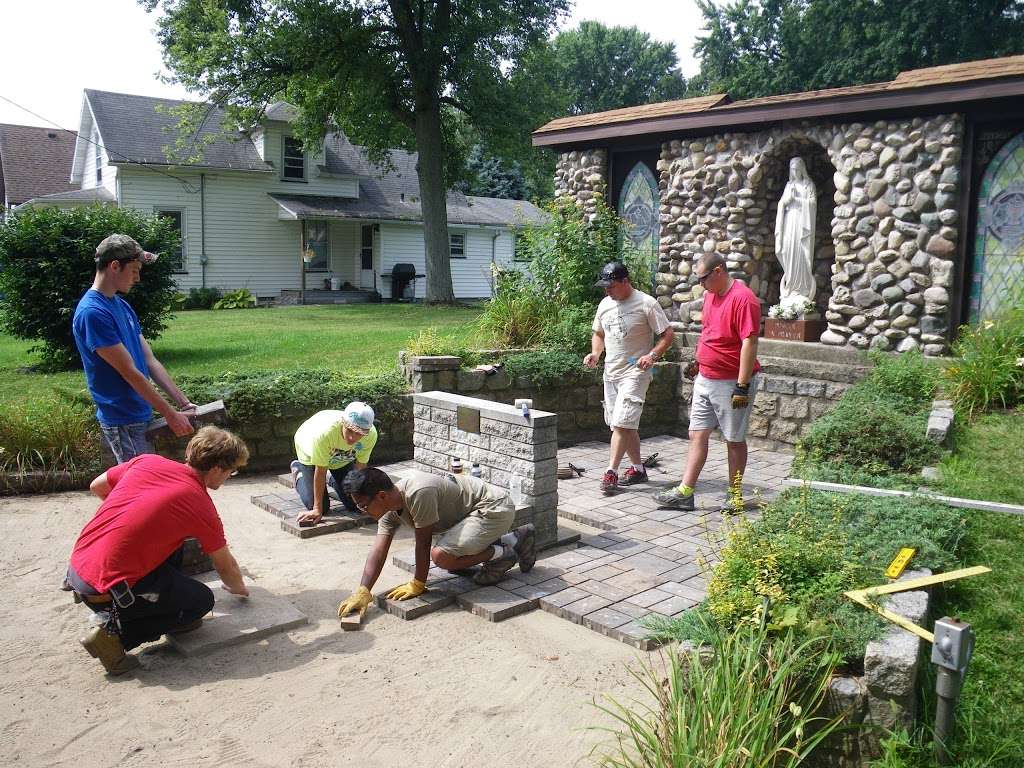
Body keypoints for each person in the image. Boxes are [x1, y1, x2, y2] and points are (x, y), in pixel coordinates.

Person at [65, 426, 250, 675]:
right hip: (107, 588)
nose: (229, 477)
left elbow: (97, 486)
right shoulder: (198, 502)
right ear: (217, 469)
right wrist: (239, 588)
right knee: (201, 603)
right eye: (232, 471)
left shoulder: (147, 461)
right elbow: (225, 566)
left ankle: (131, 606)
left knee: (176, 543)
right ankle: (115, 635)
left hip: (78, 568)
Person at [335, 468, 537, 619]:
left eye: (363, 505)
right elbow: (378, 549)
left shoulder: (418, 493)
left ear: (381, 496)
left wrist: (418, 584)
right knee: (452, 557)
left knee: (442, 557)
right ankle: (515, 538)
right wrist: (364, 590)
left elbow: (423, 544)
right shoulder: (390, 508)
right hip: (470, 514)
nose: (362, 510)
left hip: (493, 508)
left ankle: (503, 554)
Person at [72, 234, 195, 464]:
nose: (138, 278)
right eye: (135, 270)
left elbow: (149, 360)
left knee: (143, 486)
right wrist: (170, 415)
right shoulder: (93, 313)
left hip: (140, 413)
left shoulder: (122, 306)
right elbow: (129, 372)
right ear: (115, 266)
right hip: (122, 418)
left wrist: (183, 403)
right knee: (141, 488)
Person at [655, 253, 762, 512]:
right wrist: (699, 361)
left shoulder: (744, 299)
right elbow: (710, 334)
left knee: (733, 439)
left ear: (718, 271)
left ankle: (734, 495)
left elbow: (749, 342)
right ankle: (685, 491)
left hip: (730, 381)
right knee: (696, 434)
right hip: (707, 377)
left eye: (703, 278)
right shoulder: (710, 296)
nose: (700, 284)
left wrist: (742, 385)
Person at [584, 261, 674, 494]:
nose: (607, 291)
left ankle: (611, 472)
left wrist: (652, 355)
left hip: (636, 371)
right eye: (604, 287)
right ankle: (638, 469)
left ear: (625, 281)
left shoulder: (646, 303)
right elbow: (599, 333)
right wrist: (595, 353)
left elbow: (667, 334)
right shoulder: (605, 304)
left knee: (622, 423)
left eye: (611, 286)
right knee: (625, 424)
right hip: (611, 372)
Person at [290, 402, 377, 525]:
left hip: (341, 457)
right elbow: (320, 471)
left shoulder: (371, 435)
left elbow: (360, 468)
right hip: (309, 448)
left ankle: (332, 477)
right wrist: (316, 509)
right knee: (322, 507)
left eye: (359, 434)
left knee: (355, 504)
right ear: (343, 423)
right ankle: (298, 471)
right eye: (350, 430)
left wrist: (363, 499)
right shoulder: (324, 434)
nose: (352, 438)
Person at [774, 157, 818, 302]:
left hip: (802, 222)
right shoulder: (788, 185)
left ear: (802, 169)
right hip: (789, 222)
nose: (795, 172)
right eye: (793, 170)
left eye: (797, 169)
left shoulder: (808, 185)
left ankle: (802, 290)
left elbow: (812, 204)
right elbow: (782, 204)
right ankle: (791, 287)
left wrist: (797, 200)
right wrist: (786, 202)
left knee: (801, 251)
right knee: (788, 250)